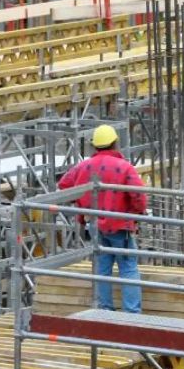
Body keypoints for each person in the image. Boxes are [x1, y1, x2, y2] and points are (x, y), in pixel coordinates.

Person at [58, 124, 147, 313]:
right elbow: (139, 197)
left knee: (102, 269)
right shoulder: (124, 167)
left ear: (95, 146)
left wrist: (83, 201)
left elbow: (64, 185)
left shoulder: (84, 166)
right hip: (120, 226)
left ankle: (105, 311)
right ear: (115, 143)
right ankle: (132, 314)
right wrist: (133, 213)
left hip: (95, 224)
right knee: (128, 268)